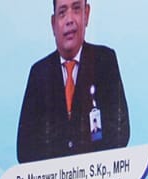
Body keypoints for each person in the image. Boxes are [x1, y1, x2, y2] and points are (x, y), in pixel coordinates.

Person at [17, 0, 131, 162]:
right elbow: (25, 149)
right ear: (53, 23)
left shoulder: (105, 61)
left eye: (76, 9)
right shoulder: (39, 74)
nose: (69, 20)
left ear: (87, 14)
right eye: (62, 12)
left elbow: (121, 132)